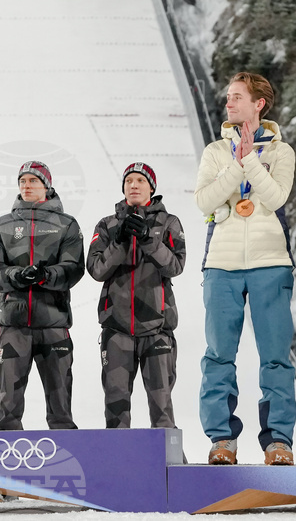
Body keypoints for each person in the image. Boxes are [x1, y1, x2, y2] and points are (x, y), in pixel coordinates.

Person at [194, 72, 296, 466]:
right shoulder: (215, 151)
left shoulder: (282, 152)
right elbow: (205, 201)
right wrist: (237, 165)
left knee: (275, 357)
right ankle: (222, 439)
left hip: (270, 261)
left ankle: (278, 442)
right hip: (222, 263)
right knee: (219, 355)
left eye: (237, 96)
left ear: (259, 104)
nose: (229, 103)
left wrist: (251, 159)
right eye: (228, 97)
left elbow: (275, 197)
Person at [0, 162, 85, 431]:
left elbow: (74, 268)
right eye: (22, 181)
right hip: (12, 325)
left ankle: (66, 449)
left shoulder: (67, 224)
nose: (26, 186)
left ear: (46, 185)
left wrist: (45, 275)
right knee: (8, 412)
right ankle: (6, 452)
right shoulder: (2, 225)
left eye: (33, 181)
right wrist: (16, 275)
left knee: (61, 411)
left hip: (54, 324)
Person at [87, 163, 185, 429]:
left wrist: (147, 238)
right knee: (115, 406)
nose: (133, 185)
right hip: (116, 330)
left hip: (157, 329)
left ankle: (167, 456)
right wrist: (119, 241)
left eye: (140, 180)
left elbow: (175, 266)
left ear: (151, 187)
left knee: (162, 406)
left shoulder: (169, 223)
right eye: (129, 180)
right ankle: (118, 455)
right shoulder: (107, 225)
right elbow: (96, 270)